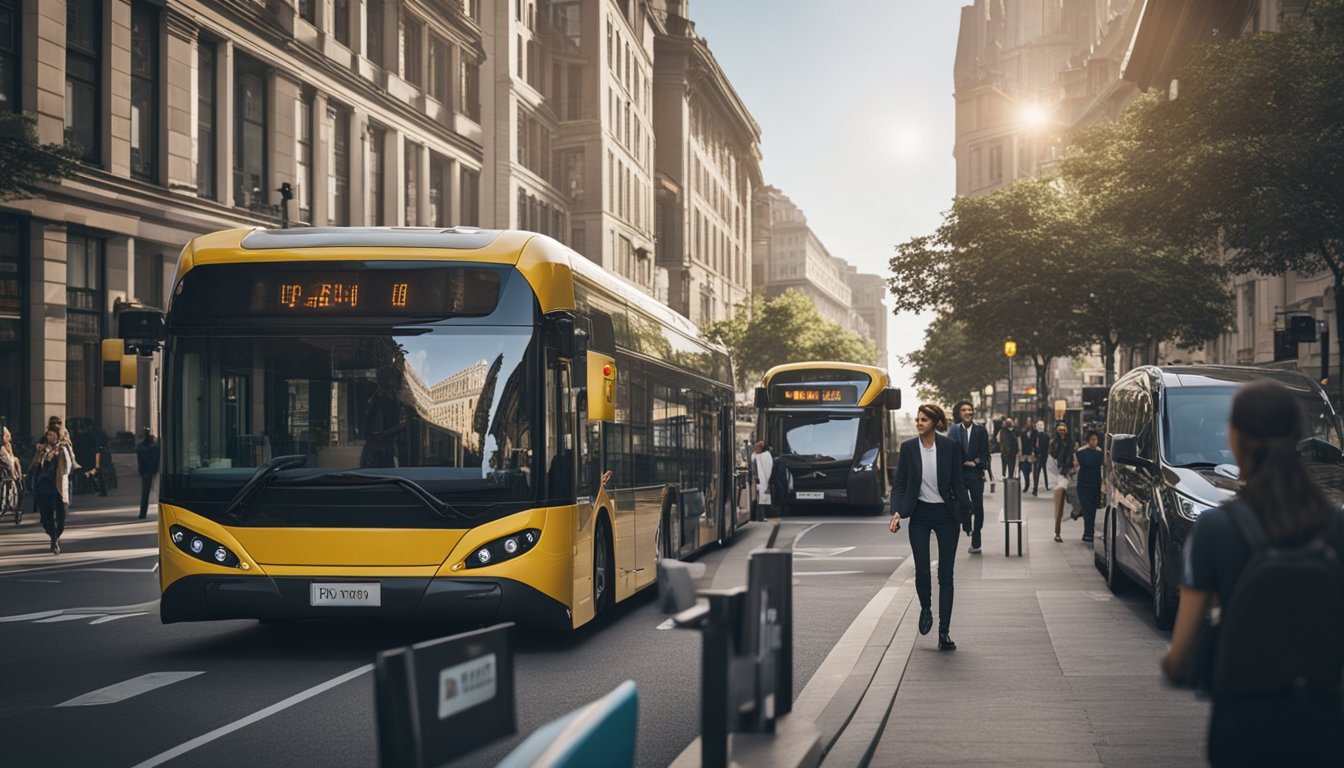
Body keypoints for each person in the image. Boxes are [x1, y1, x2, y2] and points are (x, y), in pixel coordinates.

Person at [1161, 380, 1344, 766]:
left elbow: (1181, 656)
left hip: (1243, 726)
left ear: (1237, 439)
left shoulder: (1216, 529)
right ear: (1299, 439)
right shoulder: (1336, 527)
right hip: (1326, 724)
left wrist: (1174, 665)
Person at [889, 403, 970, 651]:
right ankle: (926, 606)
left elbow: (958, 482)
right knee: (922, 571)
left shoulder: (950, 447)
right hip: (920, 514)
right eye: (917, 419)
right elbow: (900, 484)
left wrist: (966, 517)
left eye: (924, 419)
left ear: (935, 422)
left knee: (946, 574)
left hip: (946, 515)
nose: (919, 423)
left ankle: (944, 632)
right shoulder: (908, 448)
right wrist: (898, 512)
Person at [947, 400, 991, 554]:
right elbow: (949, 452)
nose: (968, 413)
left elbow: (985, 453)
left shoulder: (981, 431)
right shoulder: (953, 431)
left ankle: (976, 539)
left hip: (975, 473)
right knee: (963, 503)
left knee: (978, 507)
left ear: (973, 412)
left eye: (970, 410)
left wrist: (976, 462)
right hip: (958, 474)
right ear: (960, 413)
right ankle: (967, 526)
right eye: (964, 410)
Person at [30, 427, 69, 553]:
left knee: (61, 517)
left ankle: (56, 536)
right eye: (48, 435)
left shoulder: (62, 449)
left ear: (57, 436)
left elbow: (69, 466)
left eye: (53, 435)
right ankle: (53, 537)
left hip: (57, 487)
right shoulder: (41, 449)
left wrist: (60, 452)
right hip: (43, 487)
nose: (50, 437)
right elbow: (35, 465)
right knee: (46, 517)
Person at [1074, 430, 1103, 543]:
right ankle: (1088, 533)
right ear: (1088, 440)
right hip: (1083, 485)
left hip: (1095, 485)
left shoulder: (1100, 453)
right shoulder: (1081, 452)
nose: (1094, 442)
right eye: (1092, 439)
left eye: (1096, 439)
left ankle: (1089, 532)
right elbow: (1076, 466)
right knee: (1087, 509)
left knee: (1093, 508)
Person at [136, 428, 160, 520]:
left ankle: (143, 513)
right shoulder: (155, 448)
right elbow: (156, 459)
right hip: (150, 470)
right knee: (152, 492)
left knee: (145, 493)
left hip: (144, 471)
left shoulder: (140, 447)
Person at [1048, 421, 1075, 489]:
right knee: (1061, 482)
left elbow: (1070, 453)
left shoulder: (1069, 440)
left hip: (1067, 464)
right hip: (1058, 464)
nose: (1061, 432)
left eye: (1063, 430)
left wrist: (1067, 464)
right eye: (1060, 430)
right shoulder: (1056, 441)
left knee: (1066, 482)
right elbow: (1053, 454)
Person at [751, 441, 774, 521]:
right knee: (758, 499)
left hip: (762, 480)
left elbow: (768, 469)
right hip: (758, 480)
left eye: (757, 447)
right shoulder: (755, 455)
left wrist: (767, 482)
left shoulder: (766, 455)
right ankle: (759, 517)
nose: (755, 448)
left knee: (761, 500)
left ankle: (761, 516)